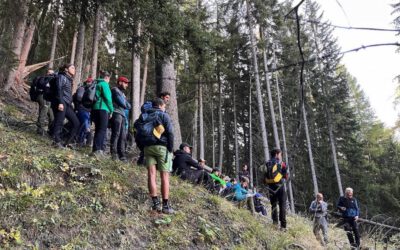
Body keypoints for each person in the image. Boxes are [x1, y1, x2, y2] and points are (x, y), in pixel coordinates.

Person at [141, 98, 174, 214]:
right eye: (164, 106)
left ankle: (155, 203)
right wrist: (170, 148)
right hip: (161, 147)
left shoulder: (144, 115)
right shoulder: (164, 115)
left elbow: (138, 132)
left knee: (151, 175)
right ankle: (165, 205)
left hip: (148, 148)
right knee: (164, 176)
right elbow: (170, 132)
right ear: (160, 105)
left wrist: (143, 148)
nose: (165, 108)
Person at [50, 64, 80, 148]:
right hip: (61, 102)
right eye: (72, 68)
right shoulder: (61, 77)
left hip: (67, 103)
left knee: (76, 122)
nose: (74, 69)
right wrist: (60, 102)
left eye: (74, 68)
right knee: (59, 121)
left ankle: (67, 142)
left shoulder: (69, 79)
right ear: (66, 69)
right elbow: (58, 89)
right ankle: (56, 141)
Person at [92, 71, 114, 155]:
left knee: (98, 129)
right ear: (107, 78)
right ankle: (98, 149)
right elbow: (108, 99)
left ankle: (95, 149)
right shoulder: (104, 84)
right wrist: (111, 110)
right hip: (103, 108)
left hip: (95, 109)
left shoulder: (97, 83)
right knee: (102, 130)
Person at [265, 148, 288, 230]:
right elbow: (285, 176)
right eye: (280, 154)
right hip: (280, 186)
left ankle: (275, 223)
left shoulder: (267, 163)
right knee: (282, 205)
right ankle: (283, 226)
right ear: (277, 154)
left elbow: (264, 175)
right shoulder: (281, 163)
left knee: (273, 205)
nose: (281, 156)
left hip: (270, 186)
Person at [110, 76, 131, 161]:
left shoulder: (122, 93)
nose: (127, 85)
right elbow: (123, 104)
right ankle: (113, 154)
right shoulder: (115, 90)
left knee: (122, 135)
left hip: (122, 115)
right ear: (120, 82)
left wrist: (125, 103)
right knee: (116, 133)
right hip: (116, 113)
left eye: (127, 83)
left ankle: (122, 155)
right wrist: (125, 102)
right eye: (125, 83)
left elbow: (129, 106)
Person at [74, 76, 93, 147]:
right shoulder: (82, 88)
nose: (89, 83)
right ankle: (79, 142)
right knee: (85, 126)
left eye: (90, 82)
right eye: (88, 82)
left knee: (86, 127)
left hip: (88, 111)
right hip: (81, 109)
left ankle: (82, 143)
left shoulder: (91, 90)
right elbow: (79, 98)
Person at [35, 69, 55, 136]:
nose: (50, 75)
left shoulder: (53, 80)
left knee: (51, 114)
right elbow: (41, 85)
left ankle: (51, 130)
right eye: (49, 73)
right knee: (44, 110)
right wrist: (48, 79)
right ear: (46, 73)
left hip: (48, 98)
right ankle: (40, 129)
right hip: (41, 96)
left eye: (52, 74)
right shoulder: (42, 78)